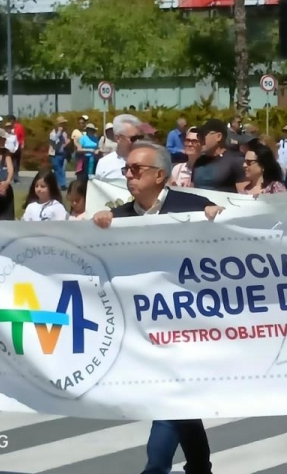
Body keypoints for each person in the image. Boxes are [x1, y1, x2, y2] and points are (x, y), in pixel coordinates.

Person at [90, 142, 220, 474]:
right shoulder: (119, 218)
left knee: (170, 400)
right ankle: (199, 467)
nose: (129, 175)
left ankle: (158, 469)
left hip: (191, 327)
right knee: (179, 403)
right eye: (126, 170)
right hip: (145, 331)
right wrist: (98, 224)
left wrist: (218, 217)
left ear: (160, 175)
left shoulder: (193, 208)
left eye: (136, 169)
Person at [192, 119, 247, 193]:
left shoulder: (235, 161)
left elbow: (243, 195)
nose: (199, 139)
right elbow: (192, 190)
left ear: (218, 137)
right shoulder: (199, 162)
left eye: (203, 135)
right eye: (198, 136)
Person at [95, 114, 143, 181]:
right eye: (133, 138)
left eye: (140, 138)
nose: (138, 142)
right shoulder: (104, 163)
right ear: (118, 138)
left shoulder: (148, 162)